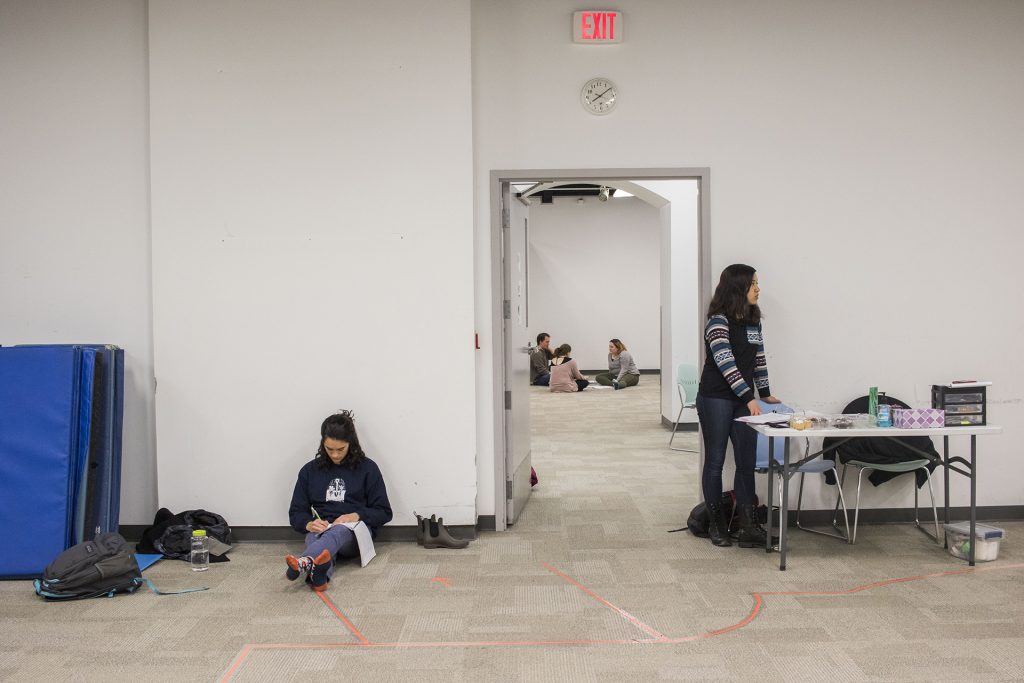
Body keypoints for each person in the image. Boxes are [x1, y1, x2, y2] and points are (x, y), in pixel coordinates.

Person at [697, 264, 781, 549]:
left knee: (746, 462)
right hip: (716, 397)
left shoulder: (753, 321)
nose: (758, 288)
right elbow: (725, 363)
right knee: (716, 462)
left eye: (758, 282)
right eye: (753, 283)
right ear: (737, 288)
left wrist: (765, 393)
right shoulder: (717, 322)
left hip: (742, 398)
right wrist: (749, 397)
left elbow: (758, 359)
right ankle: (717, 524)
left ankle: (748, 527)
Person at [286, 411, 392, 590]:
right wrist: (309, 524)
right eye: (329, 449)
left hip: (353, 535)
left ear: (351, 444)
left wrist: (356, 515)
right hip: (322, 530)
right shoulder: (309, 471)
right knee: (315, 536)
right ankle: (319, 576)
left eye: (340, 449)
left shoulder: (368, 468)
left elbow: (384, 512)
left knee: (338, 531)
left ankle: (304, 561)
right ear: (322, 444)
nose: (335, 455)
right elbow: (296, 513)